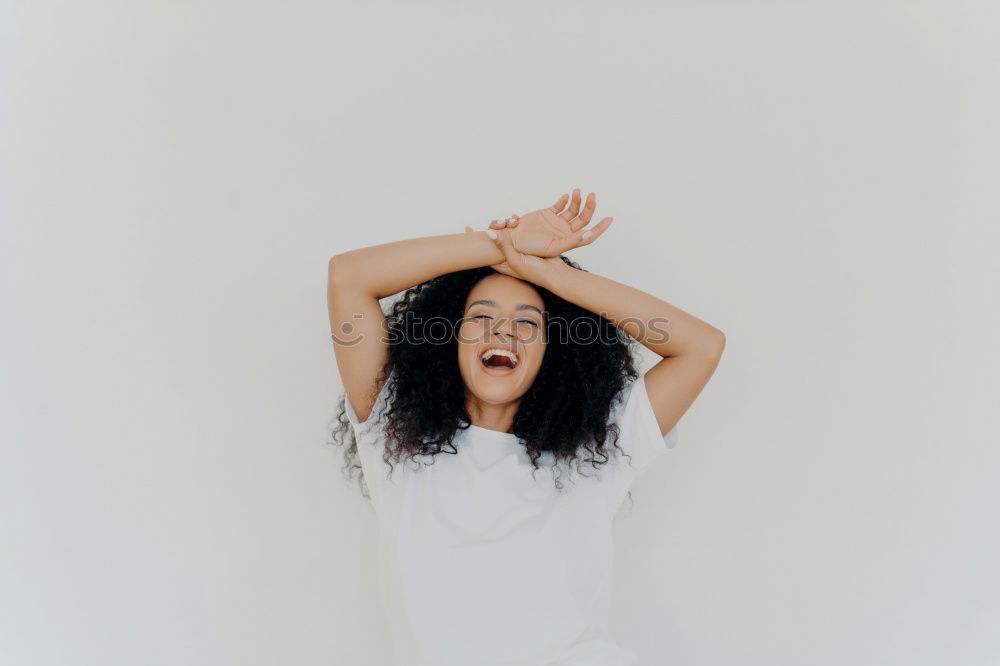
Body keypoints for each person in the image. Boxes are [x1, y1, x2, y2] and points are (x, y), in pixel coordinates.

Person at [327, 188, 725, 666]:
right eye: (481, 318)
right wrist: (506, 244)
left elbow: (701, 345)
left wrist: (548, 272)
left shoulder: (596, 449)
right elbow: (348, 277)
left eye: (528, 323)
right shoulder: (395, 436)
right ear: (448, 343)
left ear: (551, 352)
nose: (504, 333)